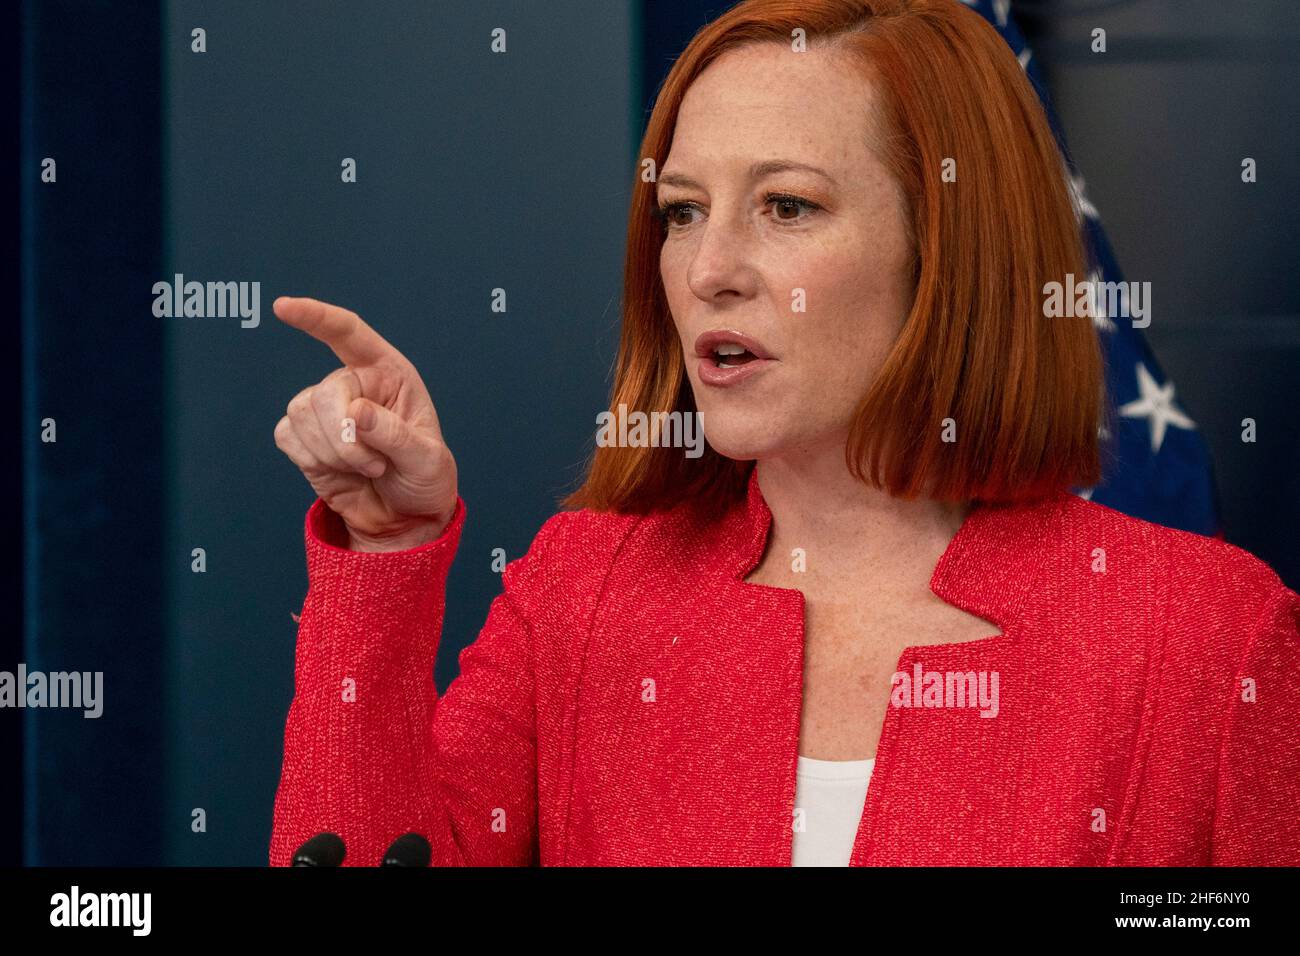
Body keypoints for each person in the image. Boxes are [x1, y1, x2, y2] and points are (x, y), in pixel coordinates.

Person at [268, 0, 1299, 866]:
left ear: (949, 248)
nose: (709, 266)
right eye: (680, 211)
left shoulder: (1207, 635)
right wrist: (385, 554)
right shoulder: (580, 592)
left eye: (786, 206)